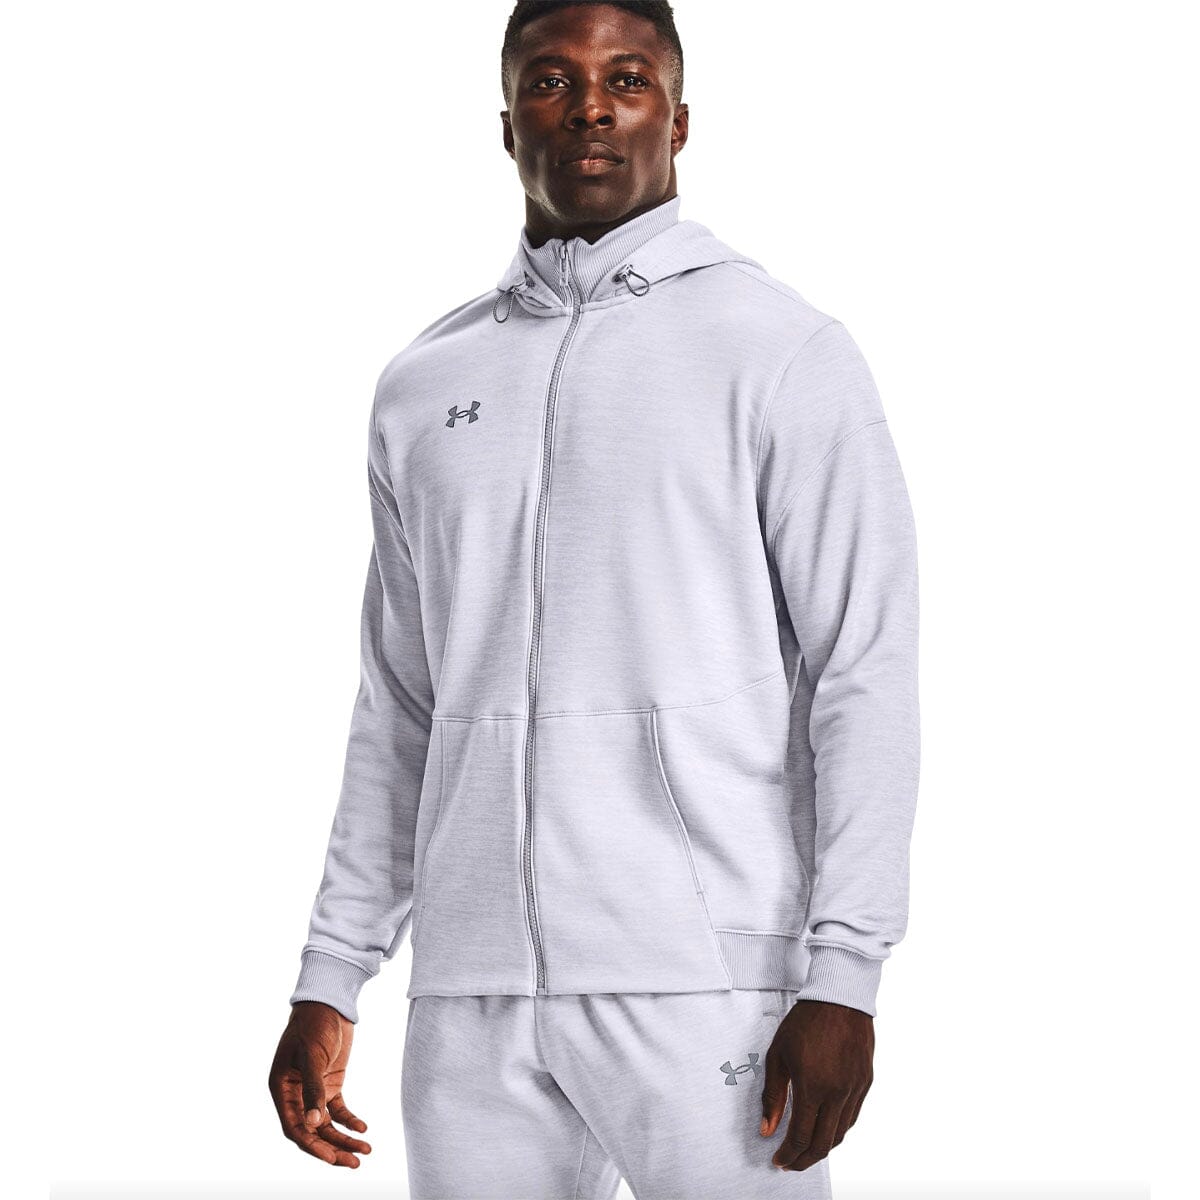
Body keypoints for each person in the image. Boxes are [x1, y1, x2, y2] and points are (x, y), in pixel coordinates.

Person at [267, 3, 920, 1197]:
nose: (590, 110)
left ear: (680, 118)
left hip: (705, 981)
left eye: (626, 79)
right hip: (470, 994)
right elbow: (401, 706)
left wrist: (845, 976)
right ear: (506, 121)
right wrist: (332, 970)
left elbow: (862, 672)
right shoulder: (424, 385)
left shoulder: (779, 351)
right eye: (552, 81)